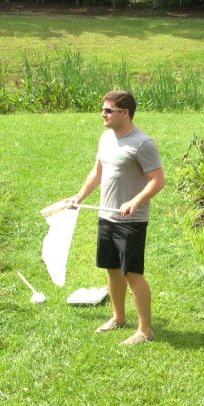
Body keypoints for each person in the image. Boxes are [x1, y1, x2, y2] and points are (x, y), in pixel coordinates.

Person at [63, 90, 165, 346]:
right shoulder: (106, 138)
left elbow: (158, 180)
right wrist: (79, 198)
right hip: (106, 215)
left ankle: (145, 330)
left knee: (132, 273)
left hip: (131, 221)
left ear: (125, 113)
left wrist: (135, 201)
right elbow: (97, 173)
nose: (103, 114)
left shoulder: (143, 143)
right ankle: (118, 317)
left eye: (108, 110)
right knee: (112, 269)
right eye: (103, 109)